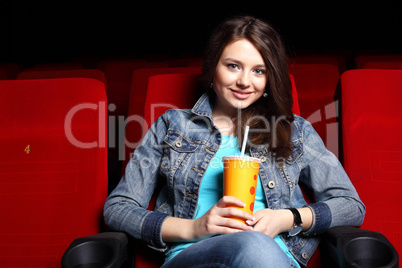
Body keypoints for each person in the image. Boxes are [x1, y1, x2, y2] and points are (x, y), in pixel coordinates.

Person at [104, 15, 365, 267]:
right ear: (213, 68)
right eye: (233, 66)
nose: (243, 81)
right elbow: (117, 208)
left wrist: (288, 218)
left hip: (276, 257)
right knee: (255, 245)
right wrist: (194, 228)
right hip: (193, 256)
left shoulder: (295, 130)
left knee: (258, 247)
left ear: (269, 79)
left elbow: (351, 206)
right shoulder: (173, 125)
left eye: (258, 71)